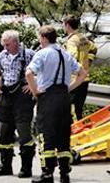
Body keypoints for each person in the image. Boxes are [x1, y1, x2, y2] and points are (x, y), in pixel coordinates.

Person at [26, 25, 88, 183]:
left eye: (40, 38)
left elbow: (29, 73)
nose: (39, 41)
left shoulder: (42, 54)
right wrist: (69, 87)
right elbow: (83, 73)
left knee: (46, 135)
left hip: (48, 98)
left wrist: (35, 91)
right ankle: (64, 174)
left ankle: (47, 174)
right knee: (63, 137)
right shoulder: (66, 54)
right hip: (64, 99)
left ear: (45, 38)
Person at [0, 30, 36, 178]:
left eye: (8, 44)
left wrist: (32, 86)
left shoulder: (29, 54)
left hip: (22, 98)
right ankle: (5, 165)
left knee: (24, 133)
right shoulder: (3, 54)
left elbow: (42, 70)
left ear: (16, 42)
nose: (5, 47)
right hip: (6, 96)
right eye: (4, 44)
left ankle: (26, 167)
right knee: (4, 131)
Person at [63, 15, 97, 122]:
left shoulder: (72, 40)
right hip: (84, 78)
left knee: (71, 109)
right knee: (79, 109)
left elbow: (71, 57)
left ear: (67, 25)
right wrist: (88, 62)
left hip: (74, 80)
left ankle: (74, 134)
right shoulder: (83, 38)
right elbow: (94, 48)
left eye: (63, 25)